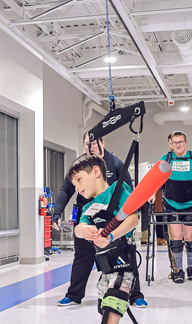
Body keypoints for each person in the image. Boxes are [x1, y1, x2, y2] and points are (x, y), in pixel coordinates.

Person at [71, 154, 139, 324]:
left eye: (79, 179)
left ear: (96, 172)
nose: (78, 187)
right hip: (106, 272)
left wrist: (111, 236)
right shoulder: (91, 206)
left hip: (123, 268)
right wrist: (83, 230)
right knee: (107, 323)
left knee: (110, 323)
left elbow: (132, 219)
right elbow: (79, 226)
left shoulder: (119, 191)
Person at [52, 132, 146, 308]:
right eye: (87, 144)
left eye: (93, 143)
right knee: (82, 257)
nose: (90, 147)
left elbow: (131, 208)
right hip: (89, 216)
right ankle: (74, 294)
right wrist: (59, 215)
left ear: (102, 143)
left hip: (117, 224)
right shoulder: (79, 168)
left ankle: (135, 295)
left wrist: (114, 233)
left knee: (126, 259)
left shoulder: (115, 163)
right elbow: (66, 191)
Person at [158, 131, 192, 283]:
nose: (178, 145)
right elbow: (155, 178)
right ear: (171, 144)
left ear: (186, 142)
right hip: (172, 203)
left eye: (181, 141)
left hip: (191, 203)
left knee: (189, 238)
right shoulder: (166, 159)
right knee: (176, 237)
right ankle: (178, 270)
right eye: (175, 142)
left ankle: (191, 268)